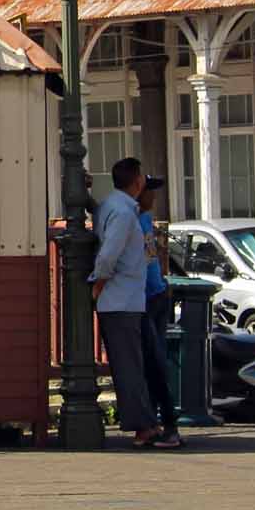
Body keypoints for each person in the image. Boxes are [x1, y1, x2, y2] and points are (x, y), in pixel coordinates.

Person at [91, 157, 174, 450]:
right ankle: (145, 426)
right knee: (132, 367)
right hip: (123, 298)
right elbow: (110, 254)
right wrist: (98, 284)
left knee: (135, 365)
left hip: (127, 299)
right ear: (137, 181)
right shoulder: (126, 214)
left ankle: (148, 423)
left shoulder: (112, 206)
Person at [134, 174, 183, 444]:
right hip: (151, 296)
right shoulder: (139, 219)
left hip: (151, 297)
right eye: (149, 191)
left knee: (153, 364)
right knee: (153, 363)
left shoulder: (141, 219)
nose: (154, 197)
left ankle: (166, 424)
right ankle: (161, 423)